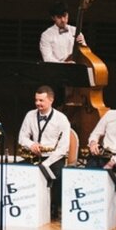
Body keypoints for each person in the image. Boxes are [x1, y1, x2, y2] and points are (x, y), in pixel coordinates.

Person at [17, 85, 71, 218]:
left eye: (41, 100)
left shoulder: (61, 119)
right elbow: (21, 137)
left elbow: (63, 148)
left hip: (53, 158)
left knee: (59, 174)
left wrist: (46, 164)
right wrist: (31, 144)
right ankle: (21, 205)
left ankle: (54, 208)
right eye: (36, 100)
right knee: (17, 170)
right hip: (35, 155)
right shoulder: (30, 115)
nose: (37, 103)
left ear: (51, 100)